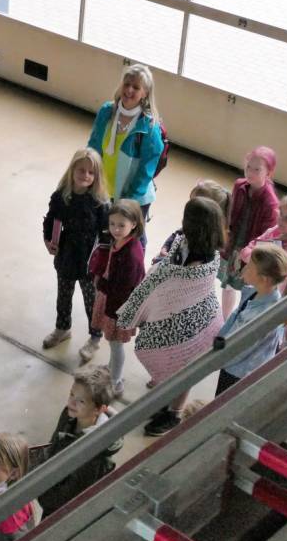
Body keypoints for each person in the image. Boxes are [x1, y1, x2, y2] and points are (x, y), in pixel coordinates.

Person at [118, 197, 225, 436]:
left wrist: (160, 275)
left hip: (192, 324)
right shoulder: (185, 243)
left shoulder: (202, 261)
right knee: (178, 368)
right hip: (187, 318)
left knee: (182, 366)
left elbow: (167, 283)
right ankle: (167, 403)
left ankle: (174, 413)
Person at [41, 148, 111, 362]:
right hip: (66, 255)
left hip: (89, 261)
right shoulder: (61, 197)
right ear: (72, 171)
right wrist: (48, 240)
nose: (86, 176)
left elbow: (106, 234)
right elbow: (51, 220)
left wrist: (104, 261)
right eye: (81, 170)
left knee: (91, 301)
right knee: (64, 295)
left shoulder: (99, 203)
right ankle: (62, 328)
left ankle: (95, 337)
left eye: (91, 173)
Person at [87, 63, 165, 243]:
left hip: (134, 196)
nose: (129, 89)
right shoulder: (107, 111)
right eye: (126, 84)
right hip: (104, 190)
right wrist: (90, 179)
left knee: (132, 240)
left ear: (145, 93)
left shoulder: (149, 126)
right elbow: (93, 147)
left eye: (136, 87)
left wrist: (127, 201)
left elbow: (146, 170)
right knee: (105, 235)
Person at [38, 365, 118, 518]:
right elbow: (53, 446)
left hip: (63, 513)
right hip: (51, 492)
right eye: (71, 394)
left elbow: (65, 498)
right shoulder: (70, 416)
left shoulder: (94, 453)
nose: (71, 403)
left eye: (81, 401)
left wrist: (39, 491)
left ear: (99, 409)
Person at [215, 244, 287, 396]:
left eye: (249, 267)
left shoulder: (264, 316)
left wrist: (217, 361)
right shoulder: (255, 292)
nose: (244, 269)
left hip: (239, 374)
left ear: (263, 279)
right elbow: (235, 316)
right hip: (231, 362)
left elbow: (242, 349)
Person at [89, 200, 146, 396]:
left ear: (134, 224)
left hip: (119, 306)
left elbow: (123, 288)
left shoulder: (131, 254)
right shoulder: (122, 241)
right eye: (112, 224)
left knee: (116, 344)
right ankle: (112, 367)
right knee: (113, 344)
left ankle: (116, 381)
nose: (115, 229)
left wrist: (101, 285)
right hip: (113, 299)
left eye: (121, 225)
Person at [220, 146, 280, 319]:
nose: (250, 172)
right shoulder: (239, 185)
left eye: (257, 169)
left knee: (248, 289)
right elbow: (231, 215)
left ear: (269, 173)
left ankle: (240, 320)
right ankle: (225, 319)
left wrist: (251, 256)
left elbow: (266, 237)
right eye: (248, 167)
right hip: (234, 244)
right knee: (228, 285)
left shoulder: (271, 204)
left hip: (251, 251)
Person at [237, 192, 287, 292]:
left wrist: (254, 261)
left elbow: (283, 289)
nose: (281, 220)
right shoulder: (276, 230)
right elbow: (247, 249)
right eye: (281, 213)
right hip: (251, 286)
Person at [155, 179, 230, 264]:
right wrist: (166, 247)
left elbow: (186, 270)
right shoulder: (194, 223)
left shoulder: (208, 246)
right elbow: (178, 233)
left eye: (193, 202)